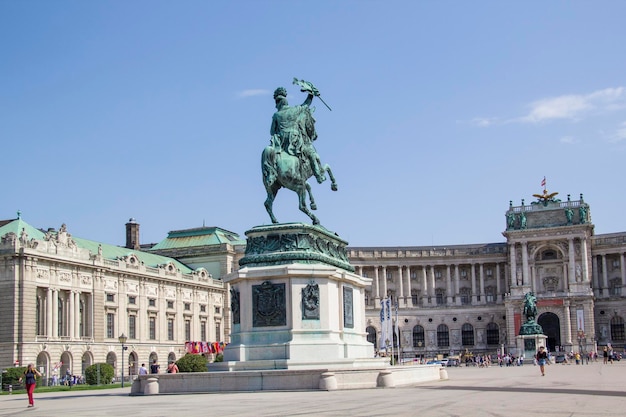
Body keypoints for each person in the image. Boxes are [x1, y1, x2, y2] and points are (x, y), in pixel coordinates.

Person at [270, 84, 325, 184]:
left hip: (282, 144)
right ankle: (318, 176)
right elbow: (306, 104)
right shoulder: (295, 110)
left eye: (276, 102)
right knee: (311, 154)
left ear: (280, 102)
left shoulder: (276, 115)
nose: (276, 105)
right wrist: (311, 94)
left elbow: (272, 132)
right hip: (295, 142)